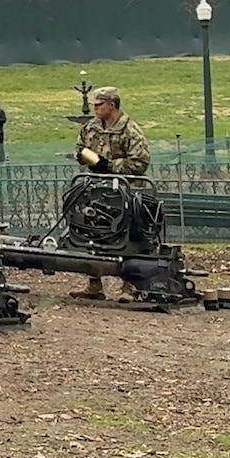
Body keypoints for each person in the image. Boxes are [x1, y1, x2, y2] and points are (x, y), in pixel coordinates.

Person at [70, 86, 151, 301]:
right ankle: (94, 284)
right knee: (92, 235)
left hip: (125, 192)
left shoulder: (130, 130)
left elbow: (140, 162)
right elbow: (80, 149)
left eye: (99, 104)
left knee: (129, 237)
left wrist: (109, 166)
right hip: (97, 190)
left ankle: (129, 287)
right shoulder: (91, 127)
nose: (95, 108)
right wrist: (90, 159)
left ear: (112, 105)